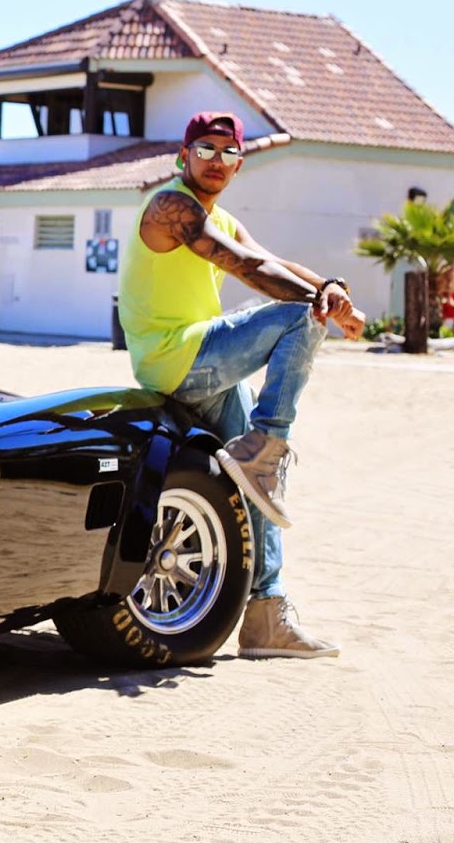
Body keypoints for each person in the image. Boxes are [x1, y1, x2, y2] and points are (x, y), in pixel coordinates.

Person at [118, 111, 366, 658]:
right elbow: (247, 265)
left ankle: (265, 618)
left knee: (258, 489)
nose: (216, 160)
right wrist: (320, 303)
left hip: (206, 363)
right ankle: (268, 440)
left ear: (239, 164)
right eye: (205, 149)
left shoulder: (222, 217)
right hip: (175, 358)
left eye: (228, 152)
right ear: (183, 156)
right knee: (300, 316)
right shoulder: (170, 206)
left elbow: (274, 260)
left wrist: (331, 288)